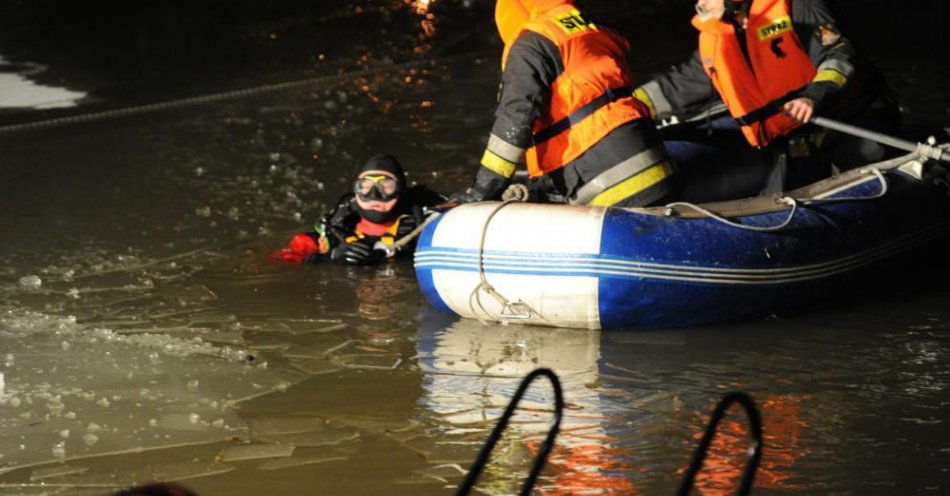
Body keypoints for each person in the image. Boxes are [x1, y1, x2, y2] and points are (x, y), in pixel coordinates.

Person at [636, 0, 900, 195]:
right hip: (793, 138)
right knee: (780, 198)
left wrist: (813, 97)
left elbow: (839, 57)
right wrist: (627, 107)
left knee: (854, 190)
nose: (700, 3)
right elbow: (678, 87)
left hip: (852, 121)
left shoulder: (799, 6)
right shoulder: (720, 37)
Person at [450, 0, 677, 208]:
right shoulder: (591, 27)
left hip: (609, 183)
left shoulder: (531, 45)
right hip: (655, 165)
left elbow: (514, 121)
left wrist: (483, 190)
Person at [271, 154, 444, 266]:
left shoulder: (425, 226)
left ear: (401, 190)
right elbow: (278, 264)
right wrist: (330, 258)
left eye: (386, 187)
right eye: (365, 186)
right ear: (355, 191)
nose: (375, 195)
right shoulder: (331, 234)